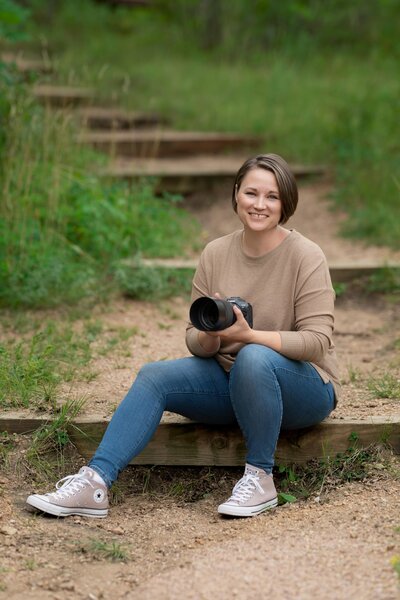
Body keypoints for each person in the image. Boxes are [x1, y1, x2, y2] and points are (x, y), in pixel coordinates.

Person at [26, 153, 340, 519]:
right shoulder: (215, 253)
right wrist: (214, 337)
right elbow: (194, 338)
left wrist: (250, 335)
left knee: (253, 358)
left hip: (303, 388)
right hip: (235, 383)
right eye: (251, 193)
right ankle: (95, 482)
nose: (259, 204)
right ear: (236, 193)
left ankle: (260, 478)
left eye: (271, 196)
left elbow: (318, 341)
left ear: (286, 202)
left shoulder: (306, 255)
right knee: (154, 376)